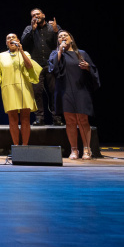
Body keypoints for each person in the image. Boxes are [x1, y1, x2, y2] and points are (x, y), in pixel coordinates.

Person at [50, 31, 100, 160]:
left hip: (81, 89)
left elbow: (93, 70)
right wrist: (60, 51)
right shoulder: (55, 54)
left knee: (82, 120)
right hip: (64, 90)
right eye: (60, 36)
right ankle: (74, 149)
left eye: (65, 35)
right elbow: (53, 69)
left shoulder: (81, 53)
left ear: (71, 39)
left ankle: (87, 149)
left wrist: (88, 67)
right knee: (70, 120)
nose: (62, 37)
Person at [0, 34, 42, 146]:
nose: (11, 39)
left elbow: (30, 66)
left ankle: (25, 146)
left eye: (13, 38)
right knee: (12, 119)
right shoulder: (1, 56)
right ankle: (16, 146)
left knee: (25, 118)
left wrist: (21, 51)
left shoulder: (25, 53)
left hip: (24, 88)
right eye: (8, 38)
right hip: (9, 88)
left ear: (18, 41)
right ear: (6, 43)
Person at [21, 8, 63, 126]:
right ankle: (39, 118)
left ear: (43, 15)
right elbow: (23, 44)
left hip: (51, 65)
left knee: (54, 92)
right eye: (33, 15)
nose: (36, 16)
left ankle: (57, 117)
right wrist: (32, 30)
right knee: (37, 92)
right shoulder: (29, 29)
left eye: (37, 14)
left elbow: (62, 43)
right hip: (36, 66)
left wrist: (56, 31)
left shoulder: (53, 27)